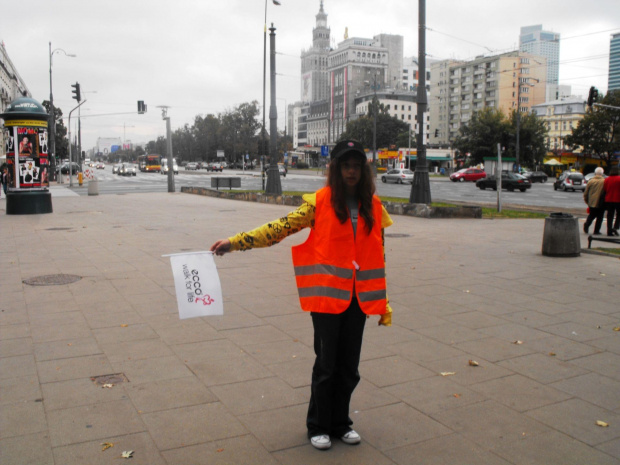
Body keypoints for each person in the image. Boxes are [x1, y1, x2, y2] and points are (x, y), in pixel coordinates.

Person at [210, 140, 393, 450]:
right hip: (325, 300)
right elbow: (279, 228)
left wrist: (382, 300)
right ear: (335, 169)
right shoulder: (319, 203)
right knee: (326, 365)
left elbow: (378, 254)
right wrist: (236, 242)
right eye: (345, 165)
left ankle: (341, 422)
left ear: (364, 170)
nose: (351, 171)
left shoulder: (373, 207)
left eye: (356, 166)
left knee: (349, 368)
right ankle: (318, 426)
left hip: (358, 300)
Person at [582, 167, 606, 235]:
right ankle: (596, 230)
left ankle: (587, 224)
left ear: (595, 173)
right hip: (601, 202)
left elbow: (586, 193)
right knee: (600, 217)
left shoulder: (590, 181)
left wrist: (587, 201)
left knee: (591, 215)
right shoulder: (604, 181)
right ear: (602, 173)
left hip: (591, 201)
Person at [603, 166, 620, 236]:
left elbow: (605, 189)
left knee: (610, 215)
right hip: (618, 199)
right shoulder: (619, 179)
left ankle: (609, 230)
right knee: (619, 214)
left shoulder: (607, 179)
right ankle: (615, 227)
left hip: (608, 199)